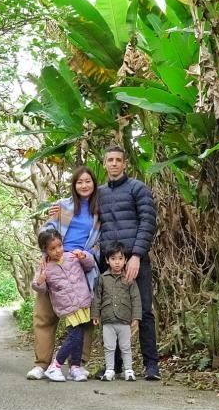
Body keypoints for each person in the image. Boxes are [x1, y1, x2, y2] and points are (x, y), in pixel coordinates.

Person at [26, 166, 100, 381]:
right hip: (54, 265)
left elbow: (100, 244)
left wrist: (86, 255)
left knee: (84, 318)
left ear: (94, 183)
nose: (84, 185)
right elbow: (44, 231)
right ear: (74, 185)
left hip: (81, 266)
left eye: (88, 181)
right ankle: (41, 364)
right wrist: (49, 252)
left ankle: (78, 365)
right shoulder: (62, 206)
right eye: (79, 182)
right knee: (44, 316)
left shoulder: (100, 211)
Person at [97, 144, 160, 381]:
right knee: (111, 314)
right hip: (108, 263)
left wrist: (136, 256)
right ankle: (114, 366)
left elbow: (147, 222)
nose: (113, 163)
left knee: (143, 310)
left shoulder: (138, 189)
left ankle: (151, 366)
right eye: (109, 159)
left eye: (118, 160)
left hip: (135, 261)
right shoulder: (100, 193)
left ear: (125, 164)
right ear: (105, 164)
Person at [31, 228, 96, 382]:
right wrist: (40, 281)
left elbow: (90, 265)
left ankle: (74, 367)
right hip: (67, 306)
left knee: (79, 336)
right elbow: (40, 287)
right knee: (74, 337)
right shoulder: (45, 267)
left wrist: (84, 256)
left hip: (82, 302)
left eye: (59, 246)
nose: (57, 250)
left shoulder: (72, 257)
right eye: (52, 249)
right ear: (45, 250)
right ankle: (56, 365)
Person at [91, 242, 141, 381]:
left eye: (120, 258)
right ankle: (110, 370)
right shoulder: (102, 278)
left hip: (125, 320)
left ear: (125, 260)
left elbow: (135, 298)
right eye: (113, 259)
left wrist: (136, 318)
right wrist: (95, 314)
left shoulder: (129, 278)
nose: (117, 262)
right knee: (109, 347)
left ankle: (129, 370)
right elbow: (97, 297)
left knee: (125, 347)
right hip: (107, 320)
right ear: (107, 260)